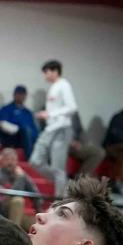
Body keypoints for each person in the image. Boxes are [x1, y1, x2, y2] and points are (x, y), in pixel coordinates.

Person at [30, 60, 78, 198]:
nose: (45, 76)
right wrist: (47, 115)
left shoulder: (64, 85)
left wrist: (50, 114)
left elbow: (72, 107)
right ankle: (65, 184)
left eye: (46, 72)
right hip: (51, 128)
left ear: (55, 71)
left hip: (62, 128)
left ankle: (59, 200)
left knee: (58, 167)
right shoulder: (53, 87)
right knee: (35, 161)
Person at [0, 147, 40, 229]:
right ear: (1, 161)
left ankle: (16, 229)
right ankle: (13, 232)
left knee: (37, 226)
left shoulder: (19, 173)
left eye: (13, 160)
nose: (10, 162)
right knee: (18, 200)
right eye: (7, 159)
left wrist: (38, 208)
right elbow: (11, 195)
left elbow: (34, 192)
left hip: (16, 212)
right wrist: (20, 178)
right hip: (1, 211)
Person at [0, 85, 37, 160]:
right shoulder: (6, 109)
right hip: (11, 138)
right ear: (14, 95)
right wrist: (18, 129)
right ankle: (30, 160)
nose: (21, 96)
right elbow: (2, 125)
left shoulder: (28, 112)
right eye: (18, 94)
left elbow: (34, 128)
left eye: (23, 94)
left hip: (27, 138)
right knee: (26, 130)